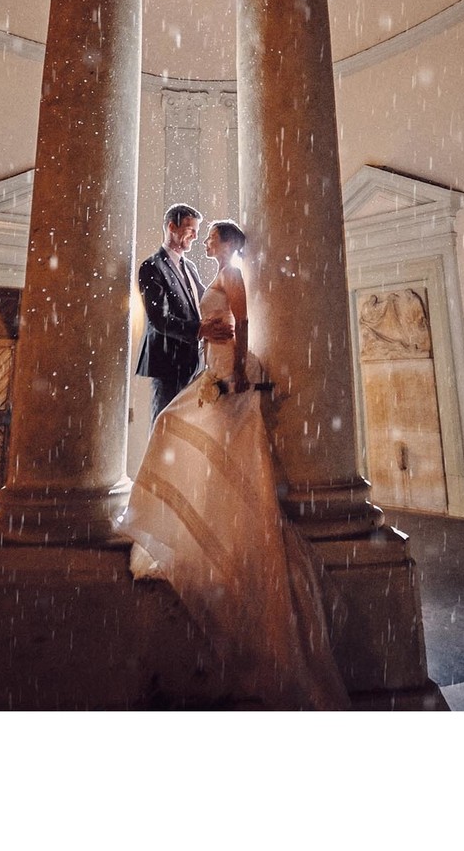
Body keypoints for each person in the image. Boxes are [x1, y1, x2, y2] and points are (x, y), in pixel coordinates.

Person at [120, 219, 350, 710]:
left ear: (226, 243)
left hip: (230, 371)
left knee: (182, 433)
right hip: (212, 366)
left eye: (209, 236)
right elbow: (193, 318)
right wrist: (209, 347)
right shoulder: (203, 272)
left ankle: (204, 530)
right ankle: (187, 523)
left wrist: (241, 367)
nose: (203, 241)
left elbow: (241, 323)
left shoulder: (232, 273)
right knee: (186, 438)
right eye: (195, 232)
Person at [135, 203, 233, 424]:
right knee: (165, 425)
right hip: (167, 363)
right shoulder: (152, 266)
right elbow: (159, 319)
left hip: (193, 361)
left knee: (187, 428)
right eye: (190, 229)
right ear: (172, 226)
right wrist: (200, 329)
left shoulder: (190, 267)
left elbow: (205, 300)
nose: (196, 236)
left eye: (197, 231)